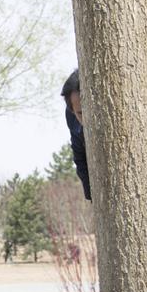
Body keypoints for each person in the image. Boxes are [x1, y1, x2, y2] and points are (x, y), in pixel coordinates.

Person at [62, 69, 91, 201]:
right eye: (80, 113)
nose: (88, 118)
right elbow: (79, 156)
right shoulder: (71, 117)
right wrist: (91, 195)